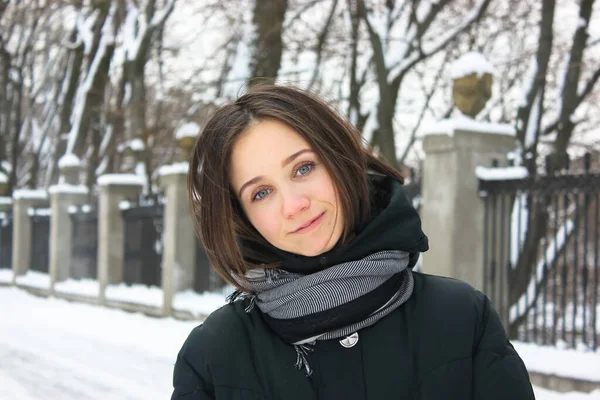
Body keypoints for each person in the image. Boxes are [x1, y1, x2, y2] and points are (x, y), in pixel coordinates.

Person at [171, 84, 535, 399]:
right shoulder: (214, 356)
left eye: (303, 168)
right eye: (262, 192)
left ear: (339, 160)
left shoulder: (462, 320)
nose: (294, 205)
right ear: (242, 216)